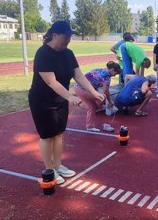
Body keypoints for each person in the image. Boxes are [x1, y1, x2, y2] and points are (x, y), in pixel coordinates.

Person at [28, 21, 105, 184]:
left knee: (59, 134)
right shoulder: (43, 54)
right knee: (47, 136)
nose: (69, 39)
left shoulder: (68, 54)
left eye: (70, 36)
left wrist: (93, 92)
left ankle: (58, 166)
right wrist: (70, 97)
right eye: (66, 36)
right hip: (42, 100)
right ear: (55, 35)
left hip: (60, 99)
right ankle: (49, 170)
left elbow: (79, 75)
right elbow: (51, 82)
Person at [74, 61, 122, 132]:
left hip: (77, 87)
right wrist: (110, 102)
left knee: (91, 108)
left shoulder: (101, 69)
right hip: (83, 90)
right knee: (102, 96)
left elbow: (91, 81)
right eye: (115, 73)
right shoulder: (107, 76)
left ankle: (90, 126)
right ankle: (100, 106)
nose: (115, 75)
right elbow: (106, 91)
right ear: (112, 70)